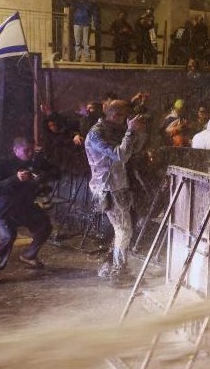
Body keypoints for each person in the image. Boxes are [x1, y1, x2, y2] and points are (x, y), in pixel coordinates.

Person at [84, 99, 148, 284]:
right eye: (125, 116)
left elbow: (133, 150)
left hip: (115, 186)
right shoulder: (97, 134)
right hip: (109, 188)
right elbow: (121, 155)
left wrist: (137, 132)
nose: (127, 120)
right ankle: (118, 273)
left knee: (121, 230)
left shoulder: (112, 129)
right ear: (116, 115)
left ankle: (109, 267)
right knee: (124, 230)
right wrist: (129, 131)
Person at [0, 137, 55, 284]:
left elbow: (55, 172)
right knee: (7, 236)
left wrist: (41, 177)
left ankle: (29, 255)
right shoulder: (1, 165)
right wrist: (15, 179)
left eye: (32, 150)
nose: (30, 153)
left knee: (44, 226)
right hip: (4, 208)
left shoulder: (34, 163)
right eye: (26, 150)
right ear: (15, 150)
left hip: (24, 206)